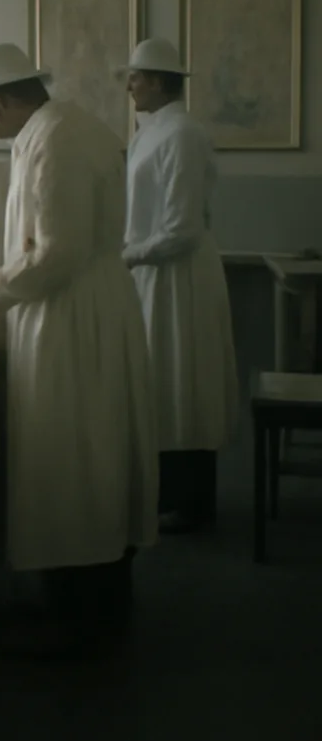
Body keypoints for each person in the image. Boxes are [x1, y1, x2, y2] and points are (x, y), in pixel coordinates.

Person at [0, 43, 158, 652]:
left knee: (78, 459)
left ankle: (88, 619)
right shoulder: (58, 128)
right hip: (74, 308)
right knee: (83, 459)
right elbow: (36, 245)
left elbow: (57, 254)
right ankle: (84, 601)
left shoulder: (58, 140)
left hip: (74, 317)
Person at [123, 38, 239, 534]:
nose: (129, 86)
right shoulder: (152, 131)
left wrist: (126, 256)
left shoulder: (182, 135)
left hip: (180, 275)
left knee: (183, 381)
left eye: (135, 77)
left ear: (155, 81)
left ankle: (191, 501)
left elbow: (181, 228)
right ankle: (172, 493)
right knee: (164, 381)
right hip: (155, 273)